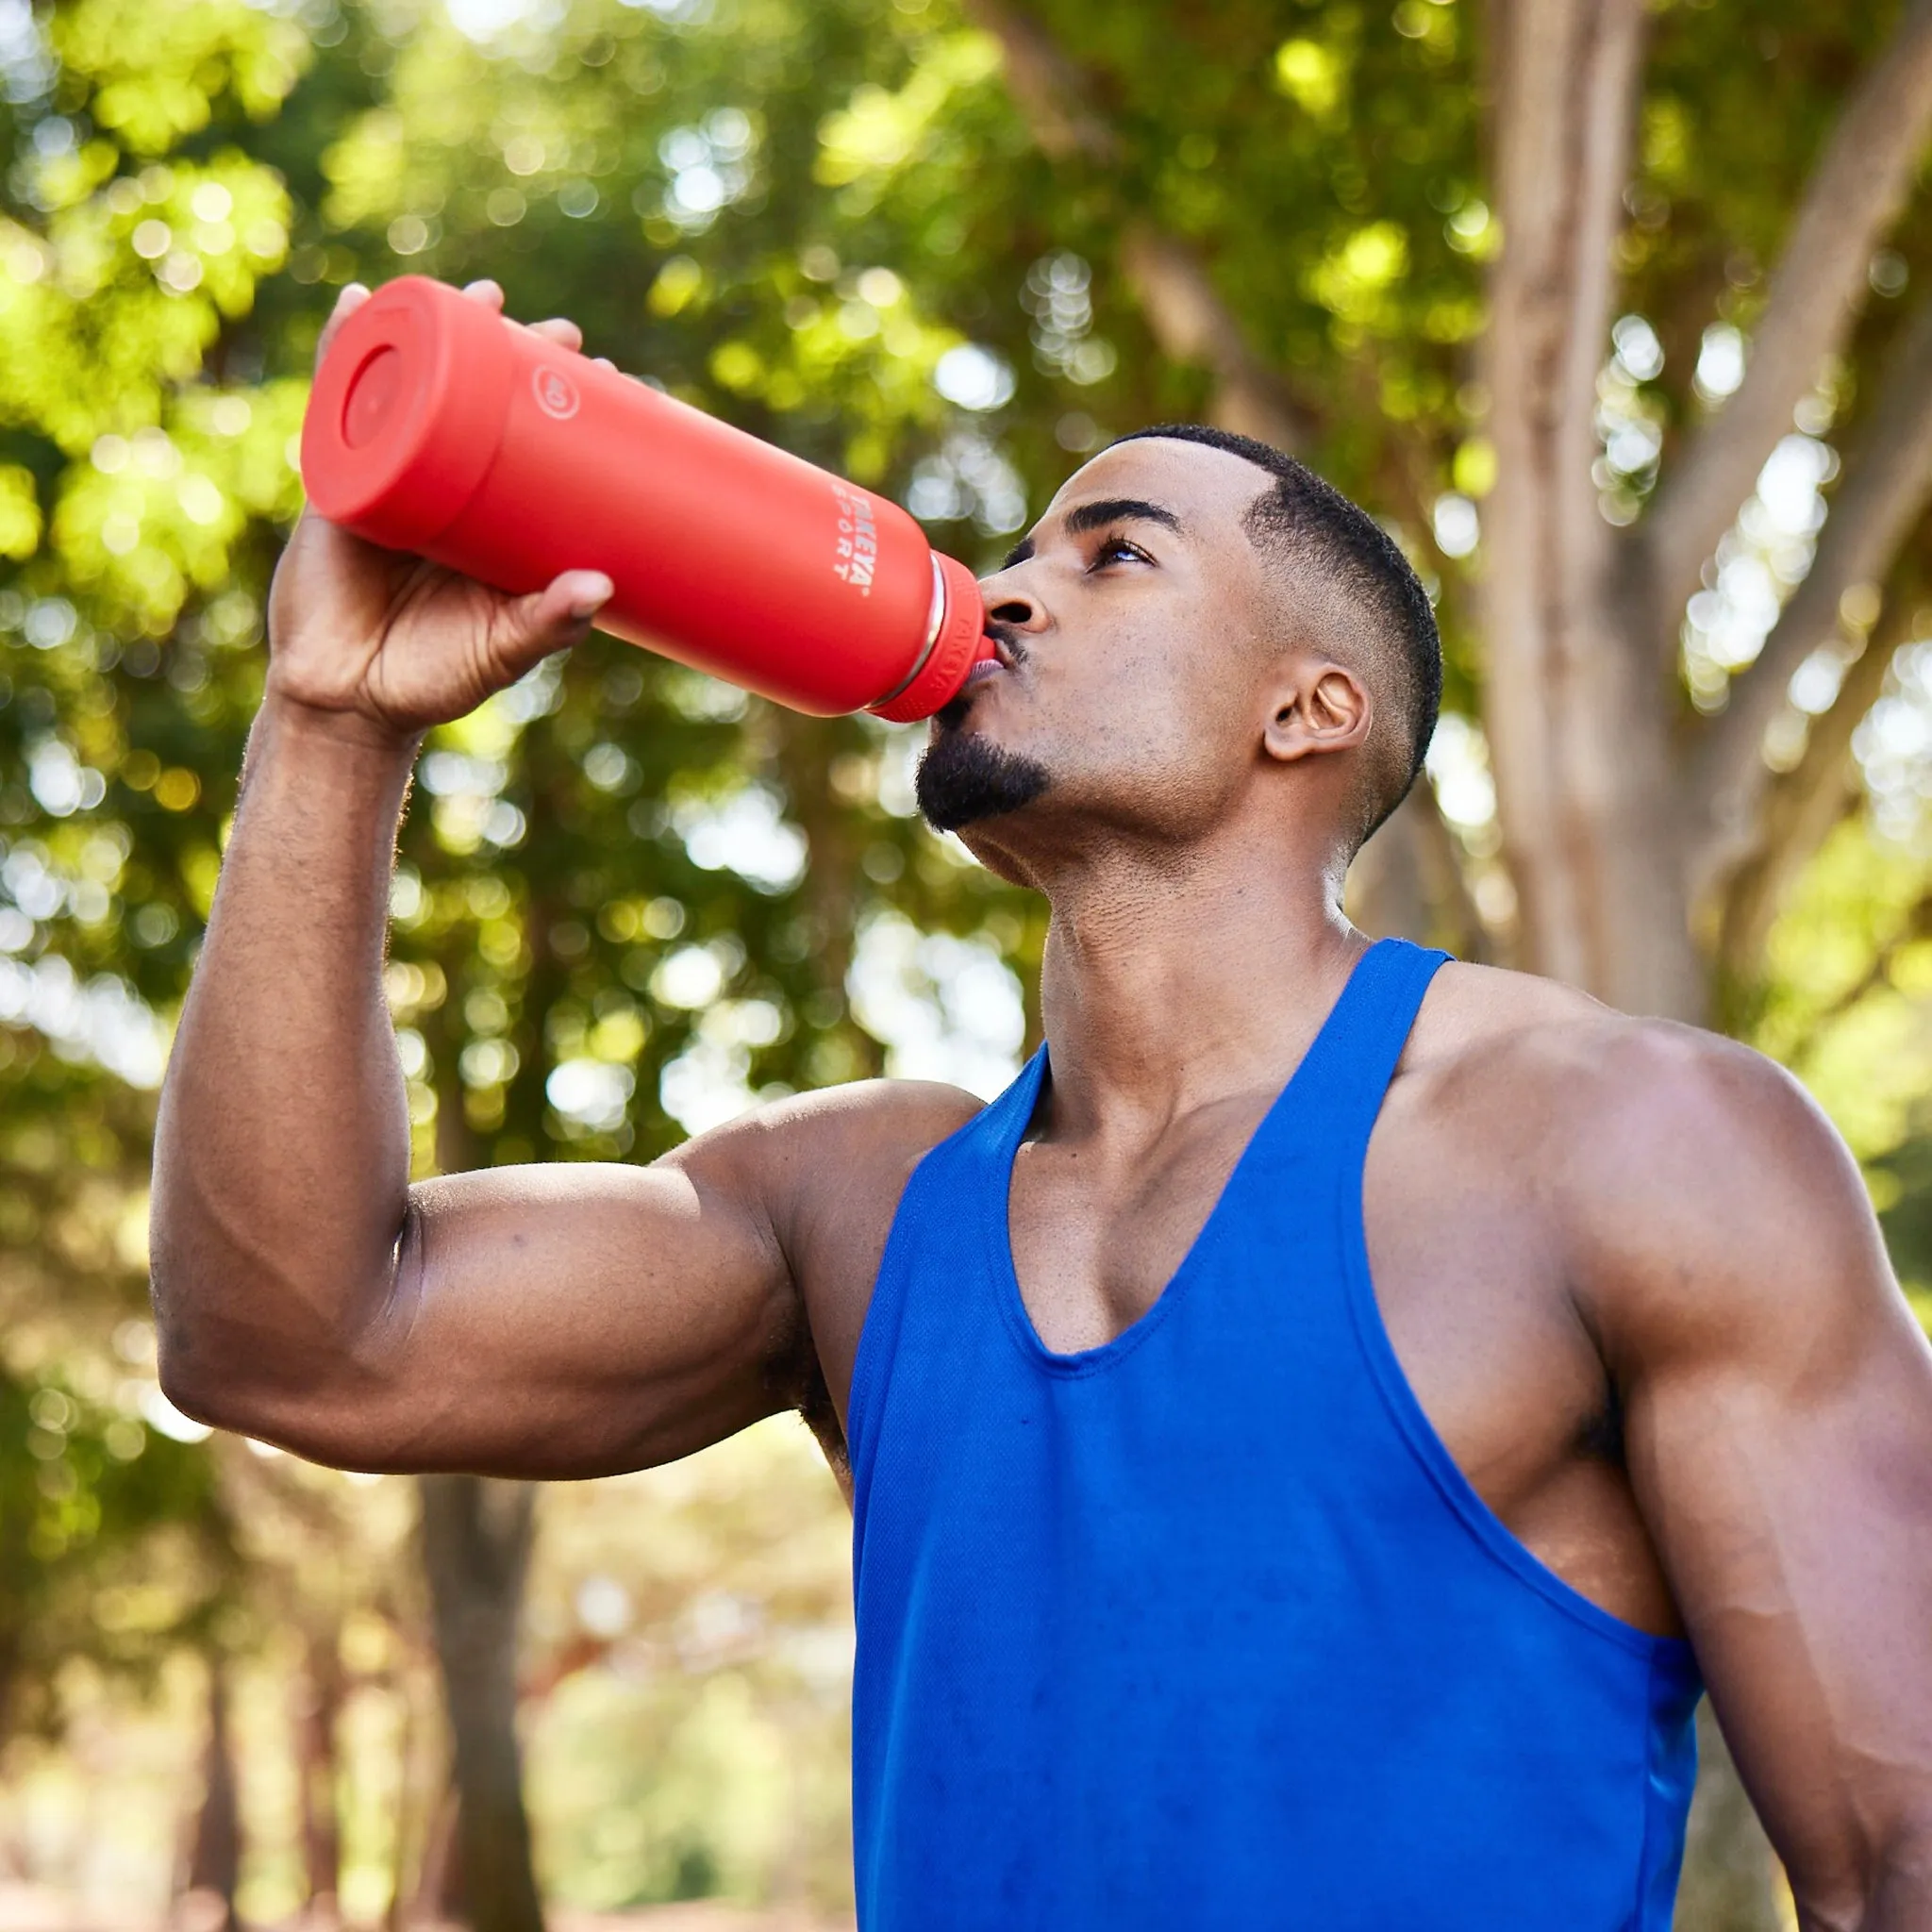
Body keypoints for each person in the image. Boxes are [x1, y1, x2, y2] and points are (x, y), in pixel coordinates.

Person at [152, 282, 1932, 1930]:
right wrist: (331, 721)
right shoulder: (852, 1207)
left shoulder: (1632, 1146)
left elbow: (1894, 1858)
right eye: (1010, 552)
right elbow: (291, 1340)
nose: (1002, 590)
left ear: (1307, 711)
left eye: (1113, 554)